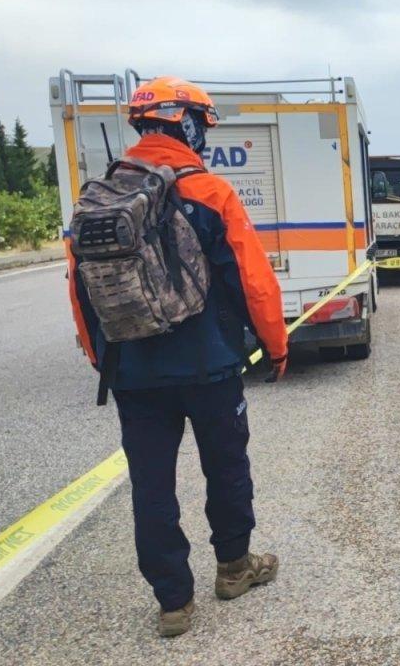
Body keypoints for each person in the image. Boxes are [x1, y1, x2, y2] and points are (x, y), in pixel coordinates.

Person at [67, 76, 287, 637]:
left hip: (134, 376)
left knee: (151, 485)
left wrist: (102, 359)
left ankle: (173, 603)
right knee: (227, 467)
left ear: (143, 126)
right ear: (186, 124)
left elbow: (80, 290)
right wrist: (275, 344)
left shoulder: (100, 197)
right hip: (210, 367)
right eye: (203, 125)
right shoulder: (211, 192)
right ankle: (235, 568)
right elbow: (252, 281)